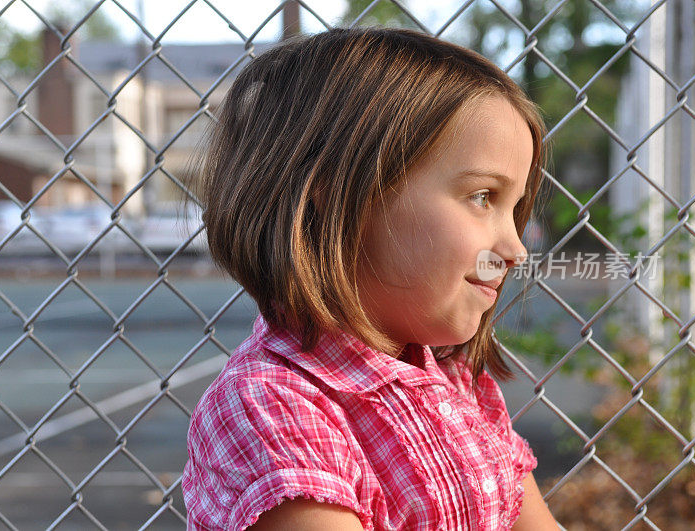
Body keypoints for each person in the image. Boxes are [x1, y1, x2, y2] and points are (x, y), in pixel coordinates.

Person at [181, 26, 560, 530]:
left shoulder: (453, 381)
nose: (514, 249)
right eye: (482, 197)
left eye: (514, 210)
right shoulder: (273, 408)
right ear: (339, 190)